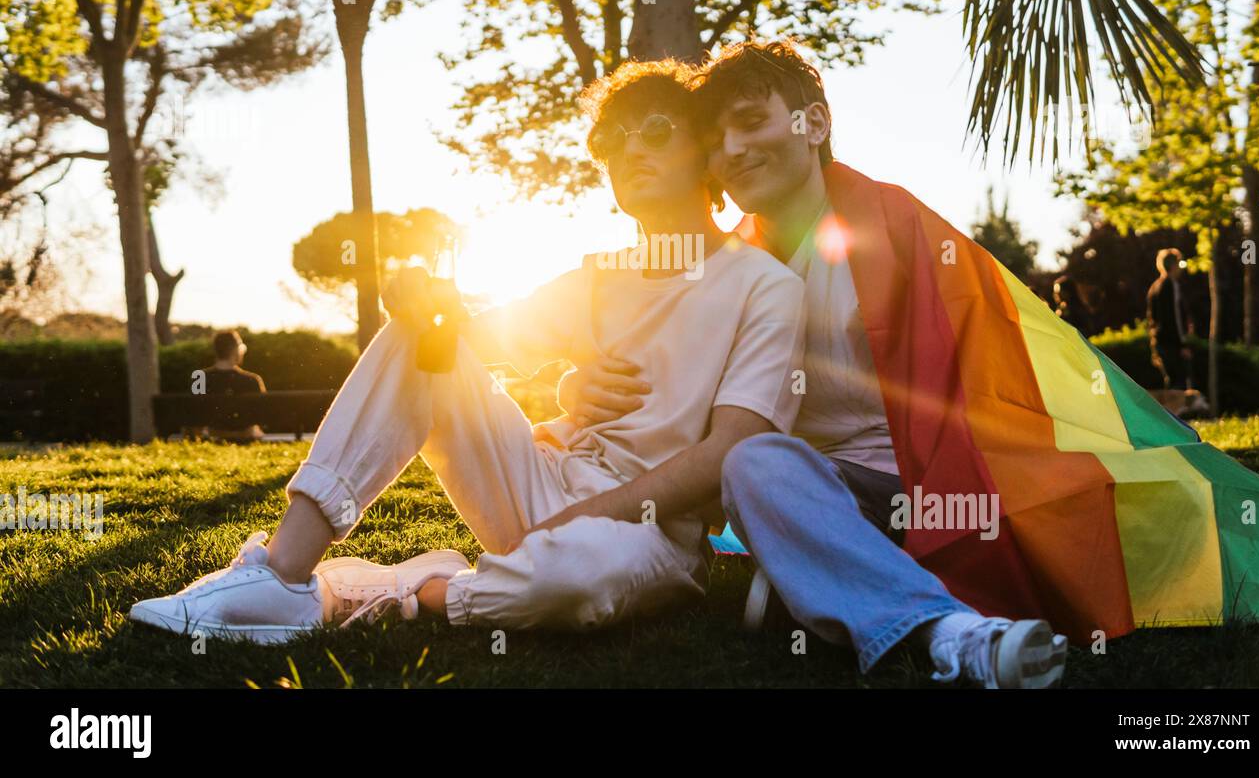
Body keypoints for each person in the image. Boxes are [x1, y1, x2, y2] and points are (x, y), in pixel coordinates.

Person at [129, 59, 806, 643]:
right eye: (610, 138)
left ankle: (419, 587)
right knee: (424, 339)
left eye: (655, 129)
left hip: (643, 536)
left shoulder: (764, 286)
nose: (630, 150)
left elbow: (731, 452)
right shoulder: (599, 275)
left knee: (573, 579)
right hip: (543, 488)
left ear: (705, 148)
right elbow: (471, 341)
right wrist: (417, 302)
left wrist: (584, 515)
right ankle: (282, 574)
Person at [561, 39, 1069, 688]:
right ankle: (946, 628)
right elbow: (668, 384)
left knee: (754, 464)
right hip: (796, 490)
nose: (735, 151)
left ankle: (902, 606)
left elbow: (991, 366)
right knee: (753, 460)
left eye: (751, 122)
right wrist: (577, 382)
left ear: (815, 124)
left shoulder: (897, 224)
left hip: (926, 486)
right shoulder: (724, 263)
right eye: (716, 140)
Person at [196, 330, 266, 442]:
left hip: (213, 435)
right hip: (245, 436)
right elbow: (262, 415)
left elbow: (194, 413)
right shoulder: (252, 380)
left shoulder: (199, 378)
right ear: (236, 350)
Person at [1147, 248, 1194, 391]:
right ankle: (1176, 413)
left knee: (1172, 380)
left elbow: (1152, 318)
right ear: (1173, 265)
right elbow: (1174, 318)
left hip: (1159, 341)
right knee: (1179, 381)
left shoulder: (1154, 287)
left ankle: (1171, 412)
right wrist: (1182, 345)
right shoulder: (1170, 285)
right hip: (1171, 344)